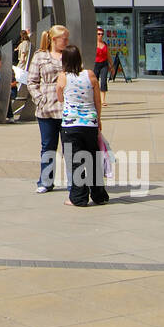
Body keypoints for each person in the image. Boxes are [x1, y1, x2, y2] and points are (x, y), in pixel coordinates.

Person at [57, 43, 108, 207]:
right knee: (93, 159)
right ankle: (99, 195)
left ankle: (79, 197)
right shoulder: (91, 75)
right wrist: (98, 119)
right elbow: (97, 100)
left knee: (76, 161)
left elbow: (60, 98)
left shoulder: (63, 77)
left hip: (71, 125)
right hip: (90, 123)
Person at [29, 25, 68, 193]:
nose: (66, 42)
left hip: (68, 108)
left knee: (70, 148)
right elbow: (32, 81)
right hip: (47, 108)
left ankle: (74, 183)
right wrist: (39, 99)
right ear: (54, 39)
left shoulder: (70, 55)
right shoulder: (40, 56)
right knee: (48, 146)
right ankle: (45, 181)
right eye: (64, 39)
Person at [94, 27, 110, 93]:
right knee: (95, 81)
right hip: (96, 64)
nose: (100, 35)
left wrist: (112, 66)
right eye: (99, 34)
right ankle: (96, 97)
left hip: (104, 64)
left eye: (102, 34)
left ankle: (103, 100)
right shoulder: (93, 44)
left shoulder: (105, 44)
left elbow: (108, 55)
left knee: (103, 81)